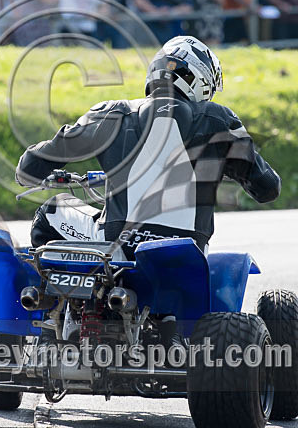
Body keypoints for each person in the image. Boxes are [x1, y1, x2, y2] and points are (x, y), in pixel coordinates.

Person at [16, 35, 280, 264]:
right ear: (201, 80)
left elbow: (31, 166)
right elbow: (268, 188)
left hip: (116, 245)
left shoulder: (111, 113)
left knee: (52, 208)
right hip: (187, 250)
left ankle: (50, 304)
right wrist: (230, 167)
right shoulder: (220, 120)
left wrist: (28, 172)